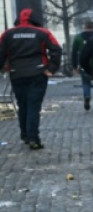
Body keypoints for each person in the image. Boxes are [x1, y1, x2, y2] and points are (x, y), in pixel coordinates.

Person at [0, 9, 62, 149]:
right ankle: (34, 138)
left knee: (23, 105)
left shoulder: (7, 34)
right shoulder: (43, 32)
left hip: (17, 73)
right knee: (34, 106)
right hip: (38, 72)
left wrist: (3, 68)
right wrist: (51, 68)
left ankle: (25, 134)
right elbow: (56, 49)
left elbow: (1, 53)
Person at [71, 20, 93, 111]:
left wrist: (74, 66)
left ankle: (87, 96)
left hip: (83, 65)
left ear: (84, 27)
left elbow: (74, 53)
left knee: (86, 83)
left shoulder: (78, 38)